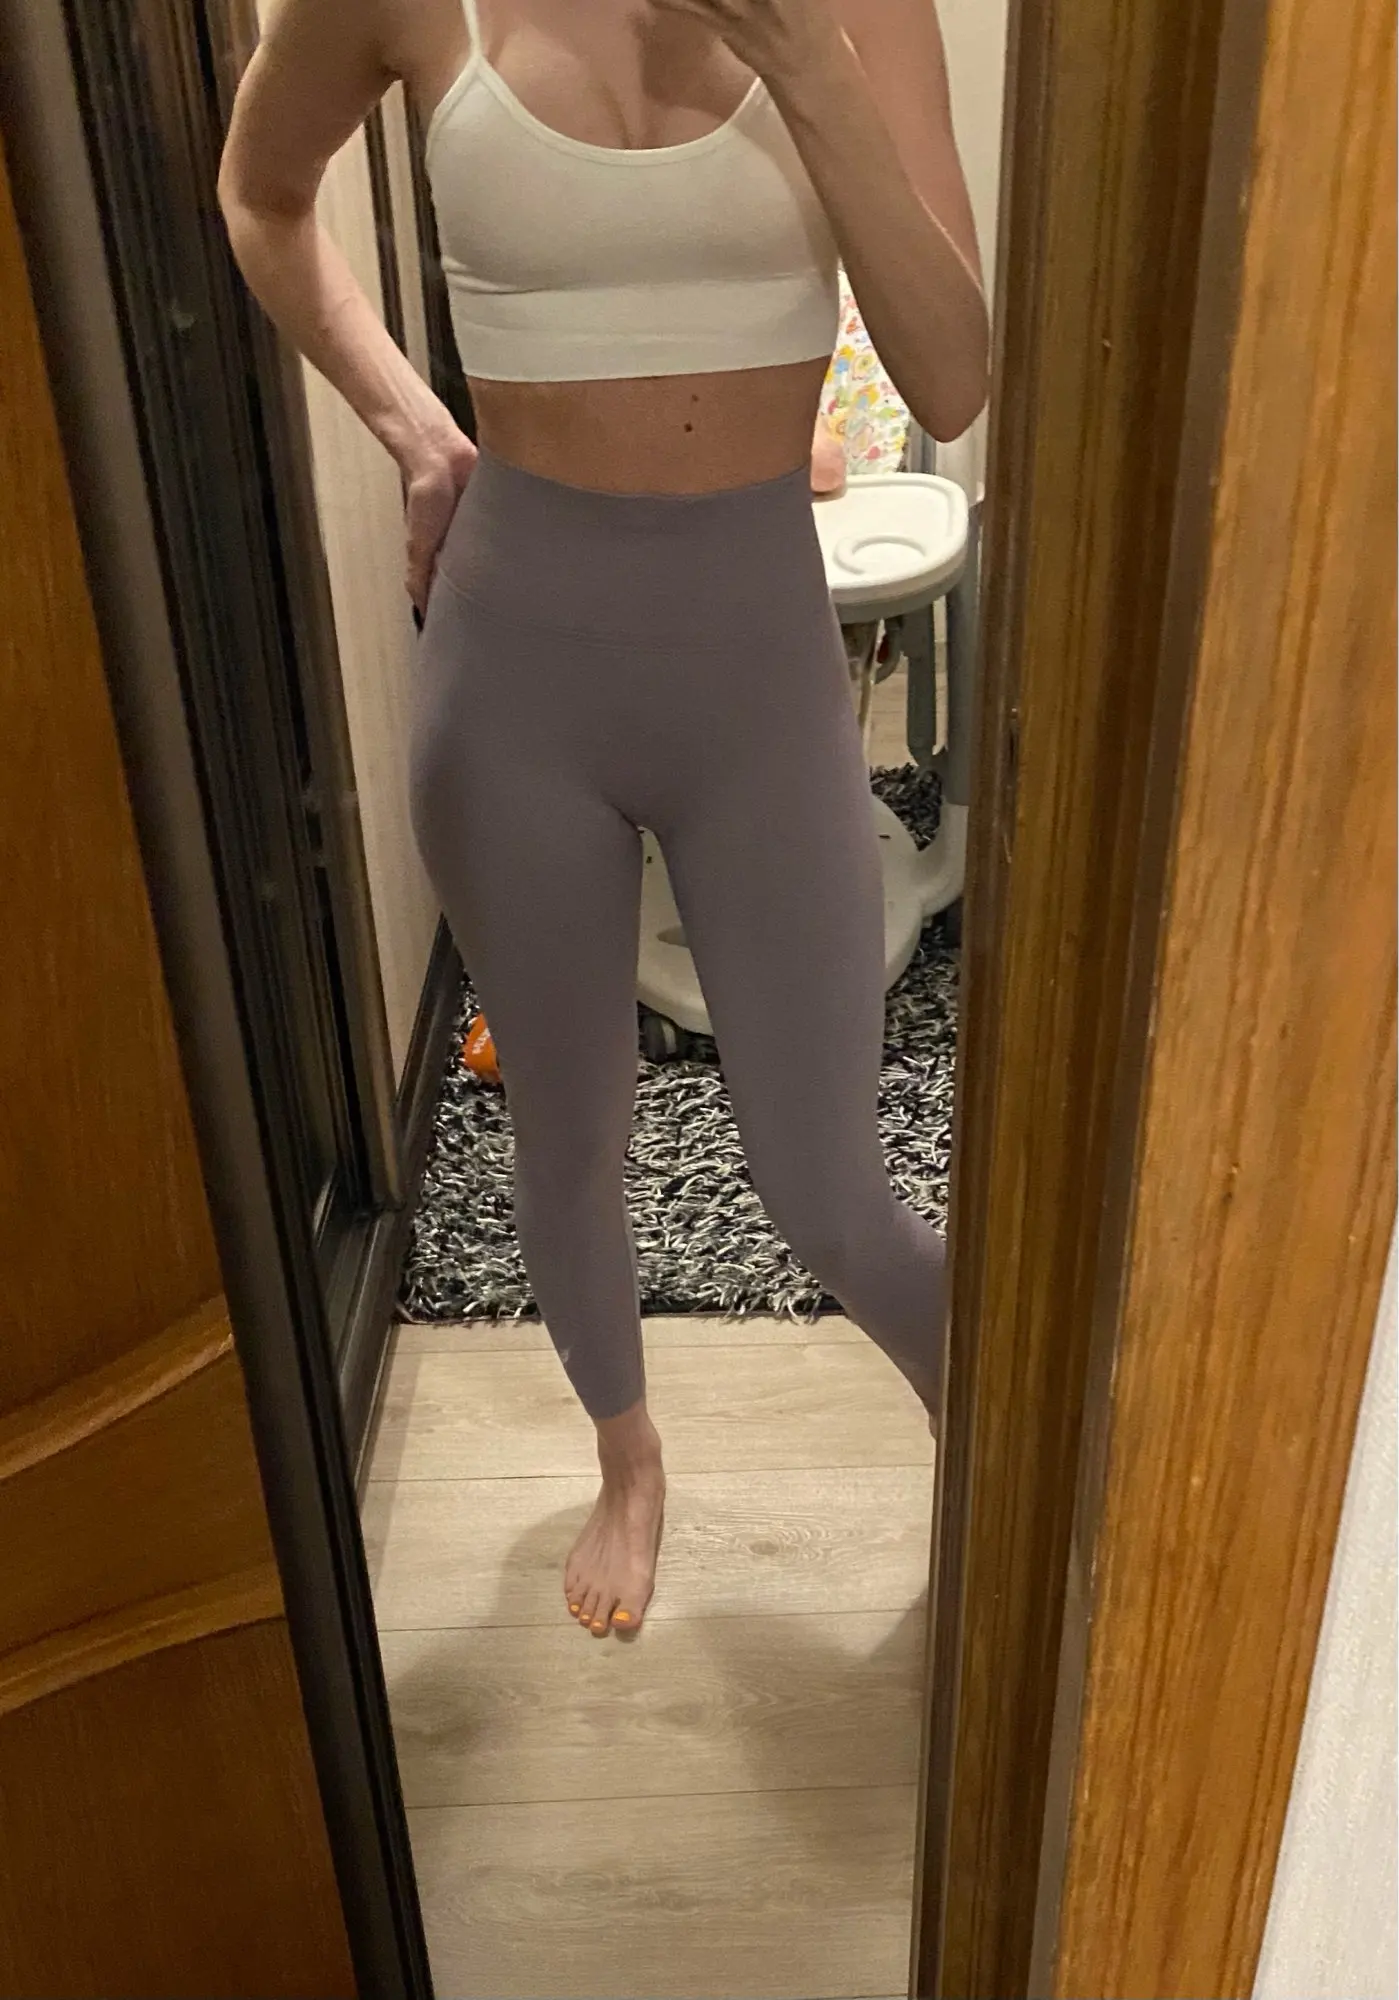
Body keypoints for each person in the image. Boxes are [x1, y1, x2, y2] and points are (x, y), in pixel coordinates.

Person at [219, 0, 989, 1639]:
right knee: (567, 1139)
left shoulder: (858, 10)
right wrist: (414, 428)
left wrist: (804, 60)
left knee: (825, 1180)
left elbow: (950, 371)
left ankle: (988, 1448)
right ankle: (625, 1460)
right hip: (514, 681)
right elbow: (259, 193)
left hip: (759, 680)